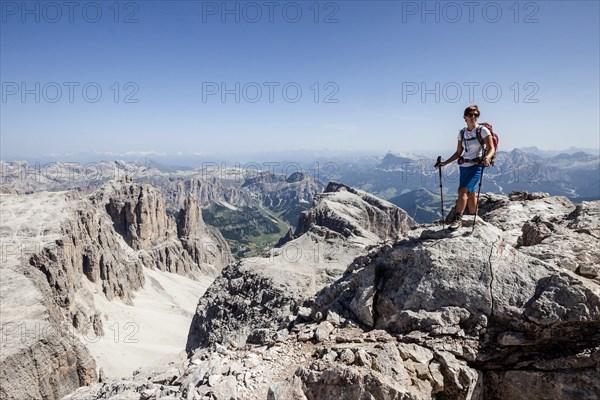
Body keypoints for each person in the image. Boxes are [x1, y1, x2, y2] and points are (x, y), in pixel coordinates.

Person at [436, 105, 496, 230]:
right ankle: (474, 216)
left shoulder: (483, 130)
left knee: (462, 190)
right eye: (470, 115)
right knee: (471, 193)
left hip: (477, 166)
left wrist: (487, 158)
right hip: (464, 166)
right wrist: (445, 163)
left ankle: (458, 219)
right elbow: (458, 152)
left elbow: (491, 148)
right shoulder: (462, 133)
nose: (473, 117)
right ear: (465, 117)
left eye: (475, 115)